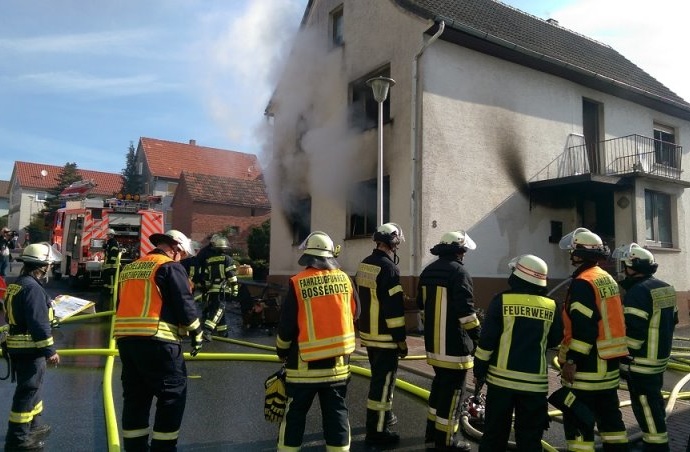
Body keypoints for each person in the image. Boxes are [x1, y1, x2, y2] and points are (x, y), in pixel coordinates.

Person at [114, 229, 204, 452]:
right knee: (172, 395)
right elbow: (184, 302)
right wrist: (197, 333)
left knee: (136, 398)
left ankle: (135, 448)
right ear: (175, 248)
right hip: (158, 341)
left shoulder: (130, 267)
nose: (182, 259)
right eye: (182, 255)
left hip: (126, 341)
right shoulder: (169, 266)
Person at [275, 231, 360, 451]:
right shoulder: (346, 280)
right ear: (331, 254)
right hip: (338, 368)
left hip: (303, 367)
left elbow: (286, 327)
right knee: (337, 414)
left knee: (294, 416)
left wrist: (282, 351)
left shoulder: (297, 283)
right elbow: (355, 313)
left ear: (309, 256)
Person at [473, 254, 563, 451]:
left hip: (501, 384)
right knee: (530, 440)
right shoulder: (552, 305)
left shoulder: (501, 301)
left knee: (494, 436)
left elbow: (487, 343)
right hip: (535, 386)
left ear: (520, 275)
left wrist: (479, 371)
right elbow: (555, 339)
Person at [554, 227, 628, 451]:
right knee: (610, 420)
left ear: (580, 254)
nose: (571, 256)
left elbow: (584, 329)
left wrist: (572, 360)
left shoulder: (583, 282)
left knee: (578, 420)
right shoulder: (606, 278)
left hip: (587, 368)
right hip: (609, 364)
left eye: (573, 251)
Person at [417, 230, 481, 451]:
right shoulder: (459, 273)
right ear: (459, 251)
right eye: (463, 251)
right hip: (455, 348)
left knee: (438, 389)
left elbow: (421, 306)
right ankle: (447, 442)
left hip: (434, 347)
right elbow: (466, 314)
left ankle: (431, 434)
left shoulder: (427, 272)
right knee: (454, 395)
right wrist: (479, 337)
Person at [613, 243, 677, 451]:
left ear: (634, 266)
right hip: (659, 359)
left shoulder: (638, 292)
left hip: (642, 363)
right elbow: (673, 320)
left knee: (646, 407)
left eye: (625, 265)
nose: (623, 270)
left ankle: (656, 445)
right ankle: (656, 438)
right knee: (655, 403)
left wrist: (622, 356)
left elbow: (634, 333)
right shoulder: (665, 288)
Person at [3, 242, 62, 451]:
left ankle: (34, 426)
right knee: (27, 391)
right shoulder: (32, 288)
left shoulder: (19, 284)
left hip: (19, 348)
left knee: (33, 389)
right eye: (48, 264)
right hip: (30, 348)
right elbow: (38, 323)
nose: (49, 267)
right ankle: (18, 438)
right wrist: (50, 351)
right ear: (41, 266)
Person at [355, 222, 407, 447]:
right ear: (393, 242)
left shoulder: (364, 264)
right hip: (386, 337)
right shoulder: (389, 269)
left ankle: (384, 418)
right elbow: (394, 310)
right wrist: (401, 340)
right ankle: (377, 432)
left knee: (379, 381)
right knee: (383, 385)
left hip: (368, 335)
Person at [200, 235, 238, 340]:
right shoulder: (228, 259)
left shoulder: (210, 260)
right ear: (225, 248)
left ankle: (223, 332)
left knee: (218, 309)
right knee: (219, 310)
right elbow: (231, 275)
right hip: (222, 290)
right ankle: (207, 330)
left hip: (212, 290)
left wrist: (207, 288)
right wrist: (235, 289)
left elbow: (207, 277)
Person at [100, 228, 120, 311]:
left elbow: (113, 253)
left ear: (111, 235)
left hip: (112, 267)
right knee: (107, 283)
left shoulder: (114, 243)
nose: (107, 236)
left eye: (108, 235)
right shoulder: (110, 242)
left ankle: (111, 295)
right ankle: (107, 294)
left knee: (111, 283)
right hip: (108, 266)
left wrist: (111, 262)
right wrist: (104, 245)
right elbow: (106, 249)